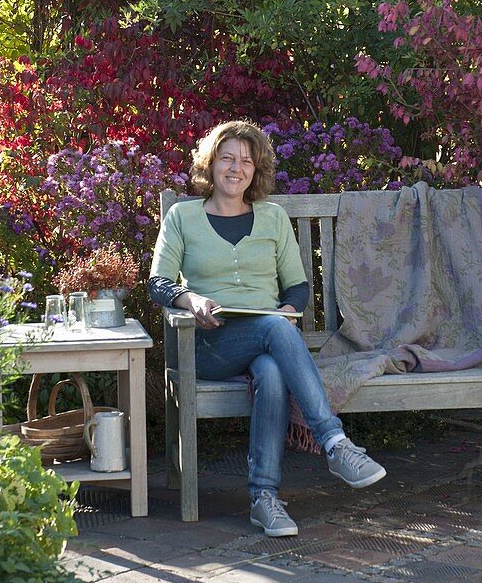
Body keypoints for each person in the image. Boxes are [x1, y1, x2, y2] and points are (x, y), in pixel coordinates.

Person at [148, 120, 386, 537]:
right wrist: (193, 301)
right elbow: (159, 282)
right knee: (276, 331)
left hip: (268, 340)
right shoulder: (183, 216)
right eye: (226, 158)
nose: (235, 168)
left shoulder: (273, 218)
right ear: (211, 164)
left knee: (273, 370)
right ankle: (334, 443)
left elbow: (297, 286)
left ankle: (264, 499)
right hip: (206, 342)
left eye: (245, 161)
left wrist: (289, 310)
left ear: (256, 171)